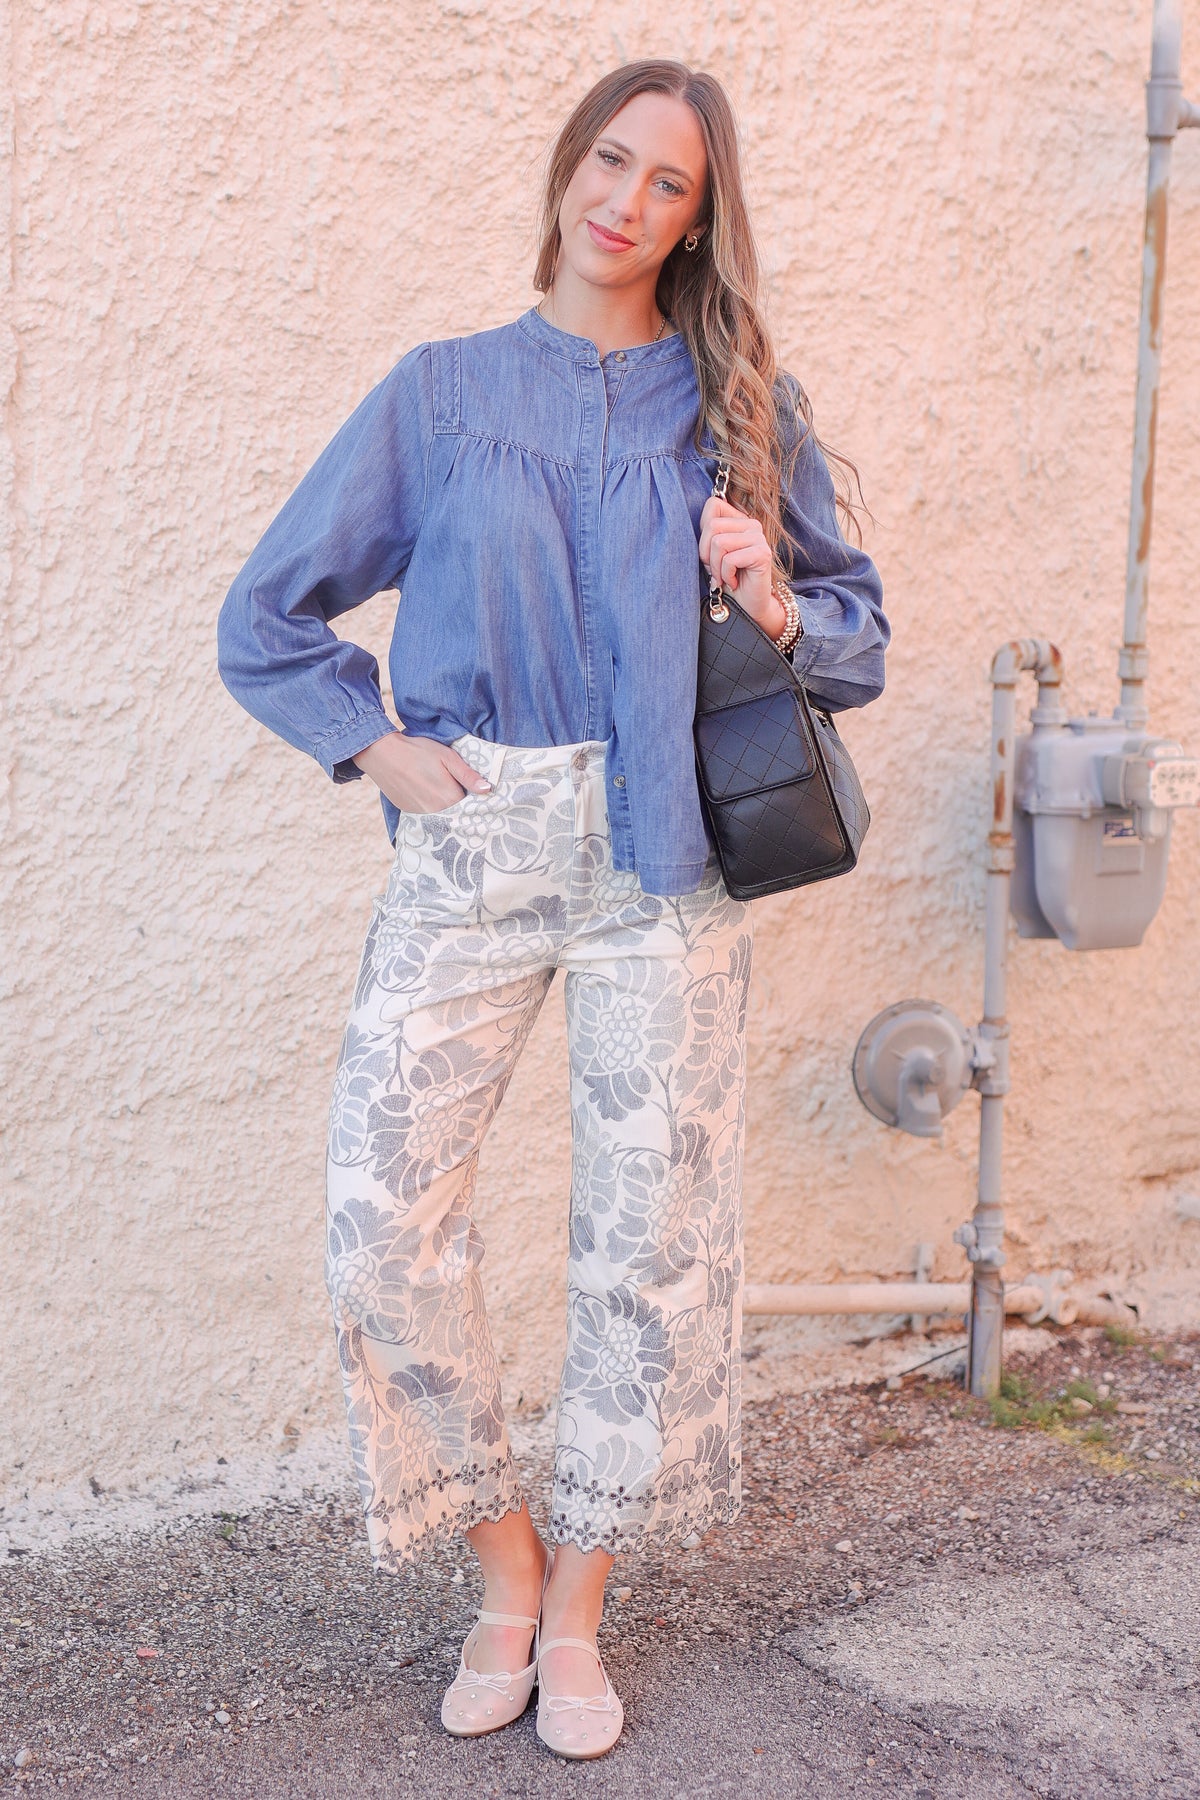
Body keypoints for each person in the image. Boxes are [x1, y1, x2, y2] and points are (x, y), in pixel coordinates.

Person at [217, 56, 888, 1761]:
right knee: (381, 1228)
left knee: (645, 1254)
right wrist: (377, 745)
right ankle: (499, 1567)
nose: (628, 203)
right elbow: (269, 614)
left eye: (669, 185)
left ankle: (578, 1609)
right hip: (480, 846)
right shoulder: (440, 397)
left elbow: (859, 645)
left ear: (697, 219)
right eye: (611, 162)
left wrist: (767, 585)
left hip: (665, 867)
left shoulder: (743, 411)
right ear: (566, 171)